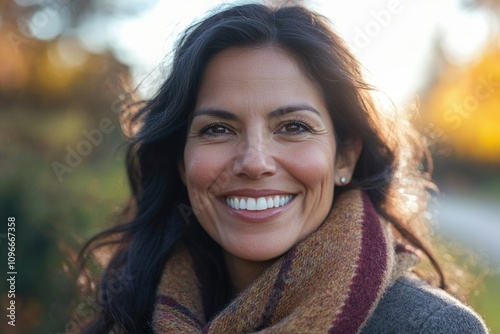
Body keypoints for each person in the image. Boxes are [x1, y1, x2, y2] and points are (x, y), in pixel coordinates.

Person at [77, 3, 489, 333]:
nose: (254, 162)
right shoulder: (130, 309)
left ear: (344, 156)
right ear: (182, 164)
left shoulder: (431, 328)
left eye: (293, 127)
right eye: (218, 129)